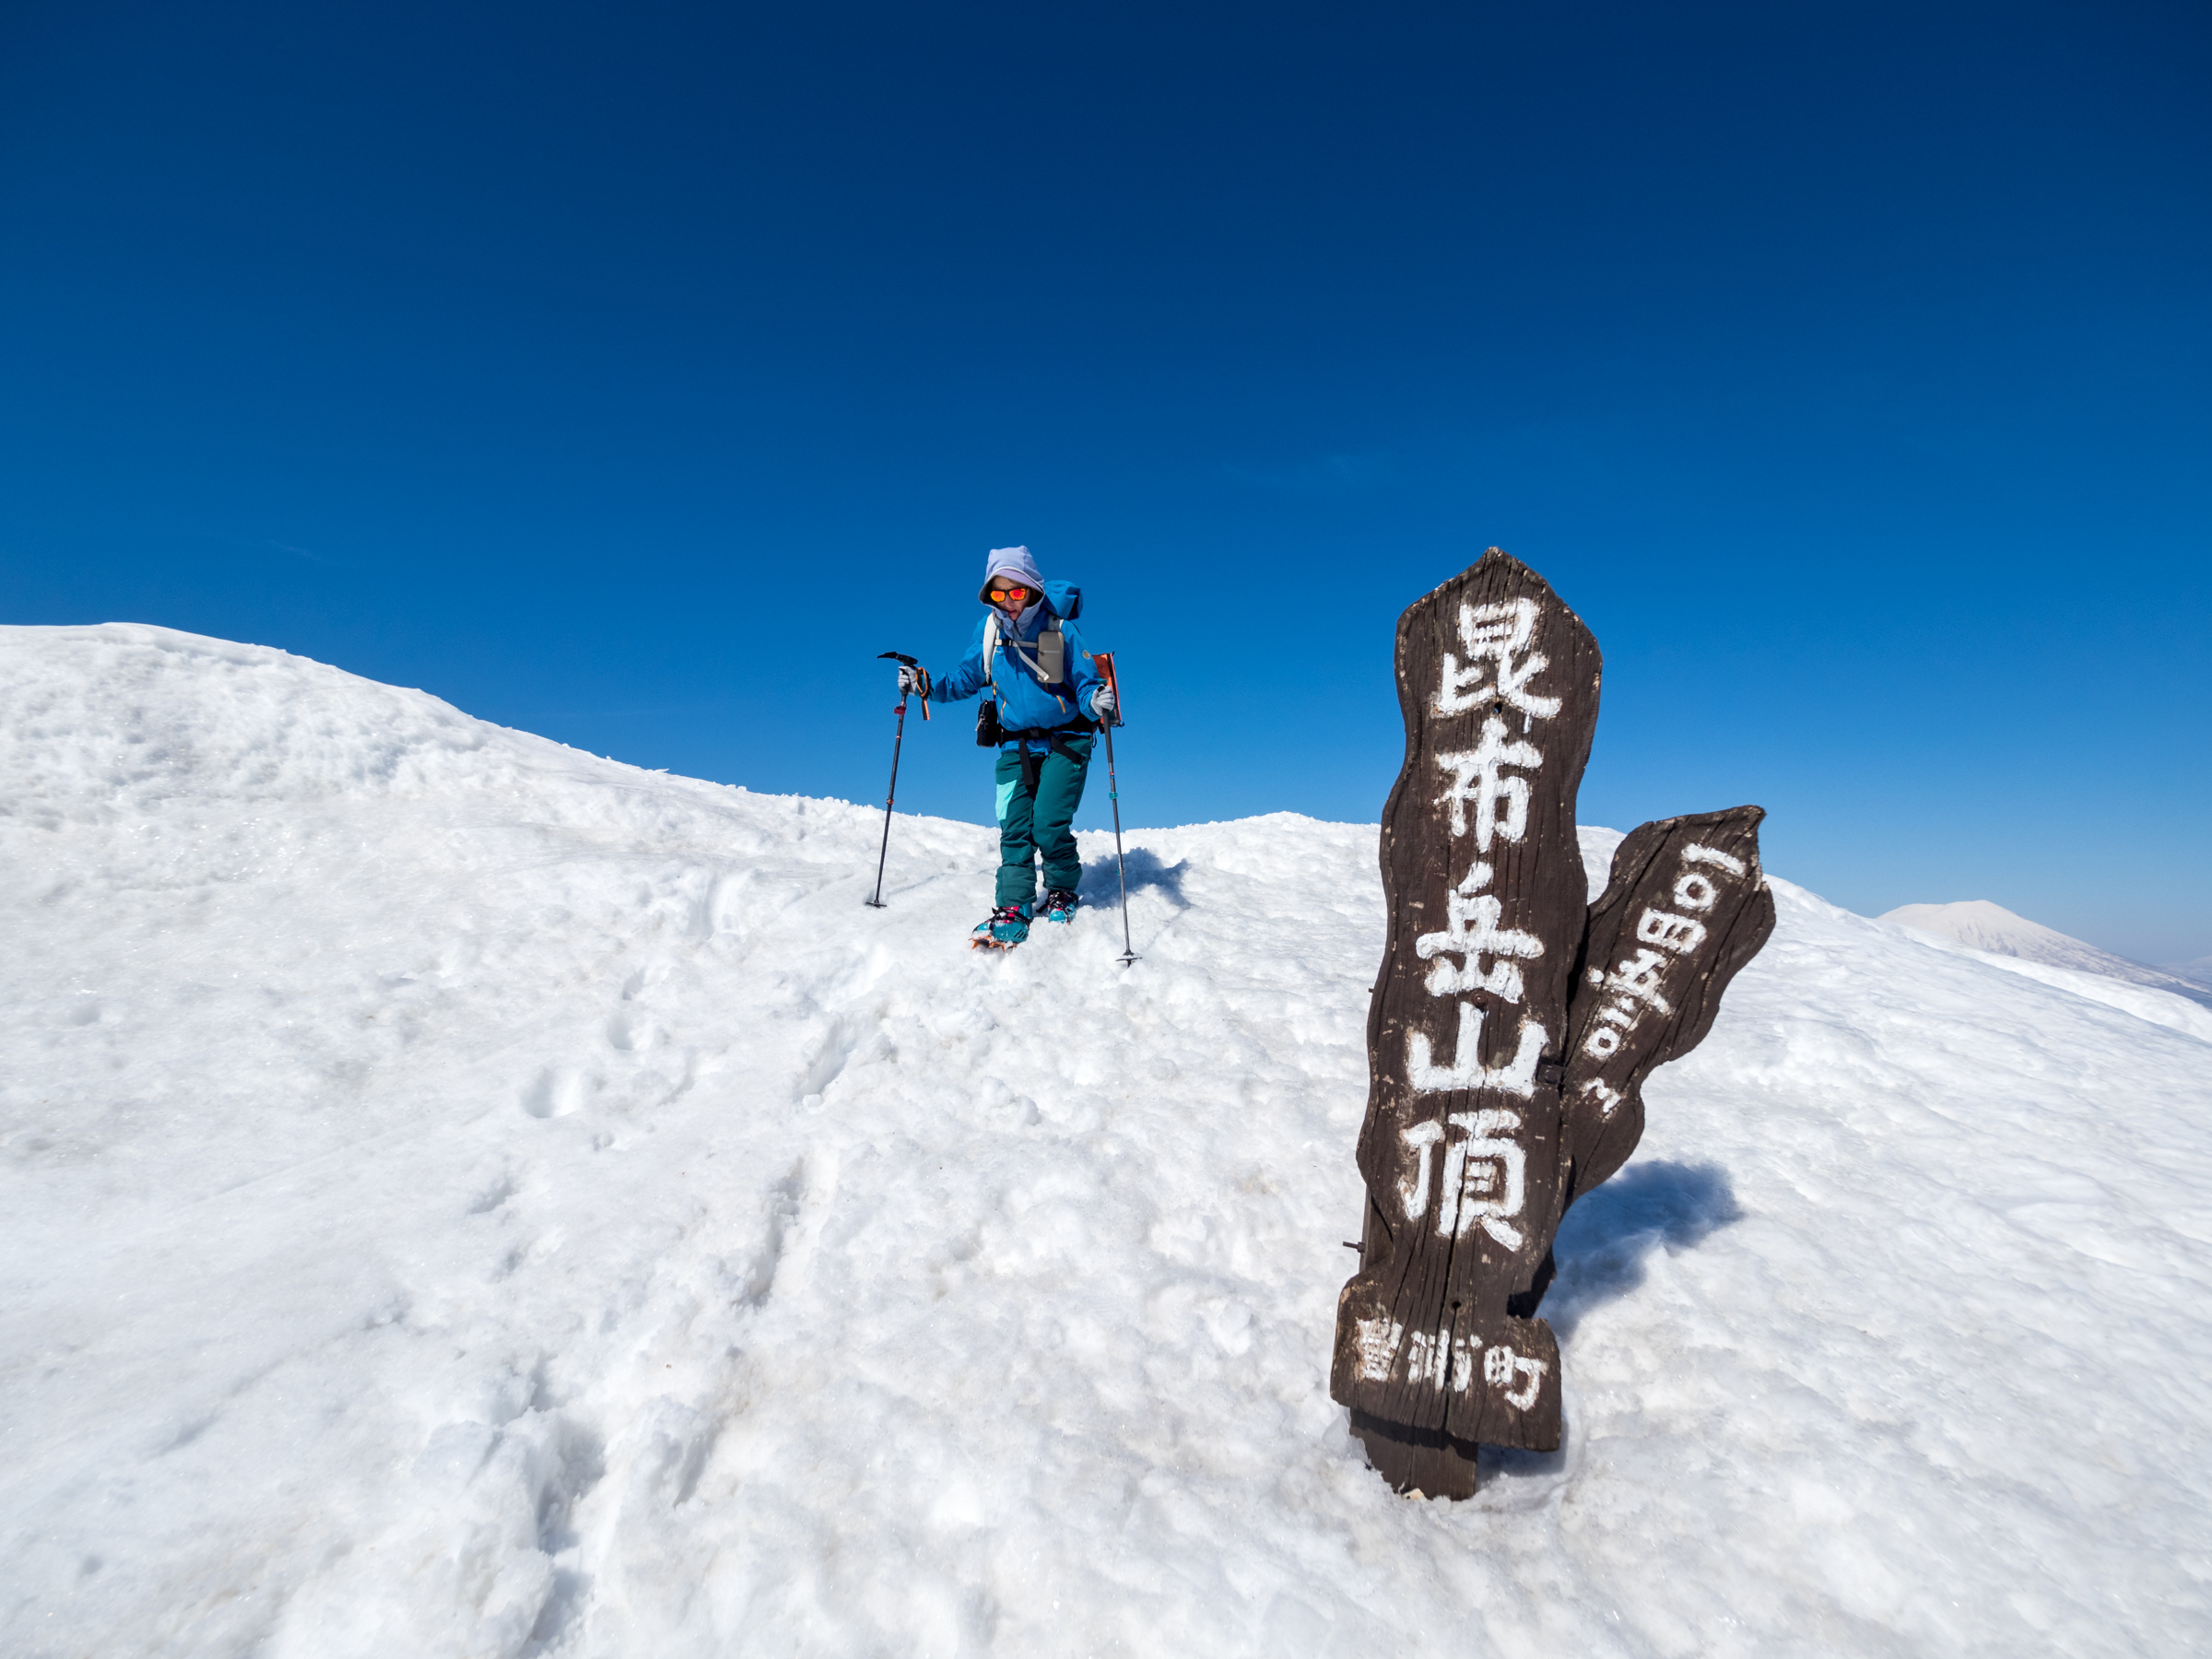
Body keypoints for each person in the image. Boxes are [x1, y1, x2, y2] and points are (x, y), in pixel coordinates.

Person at [899, 547, 1116, 946]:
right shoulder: (989, 634)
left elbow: (1085, 683)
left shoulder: (1060, 630)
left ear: (1032, 590)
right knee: (1014, 828)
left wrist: (1095, 702)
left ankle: (1062, 887)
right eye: (999, 594)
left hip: (1067, 741)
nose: (1009, 603)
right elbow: (967, 677)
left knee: (1048, 822)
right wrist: (924, 684)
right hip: (1014, 746)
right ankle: (1013, 905)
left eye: (1017, 593)